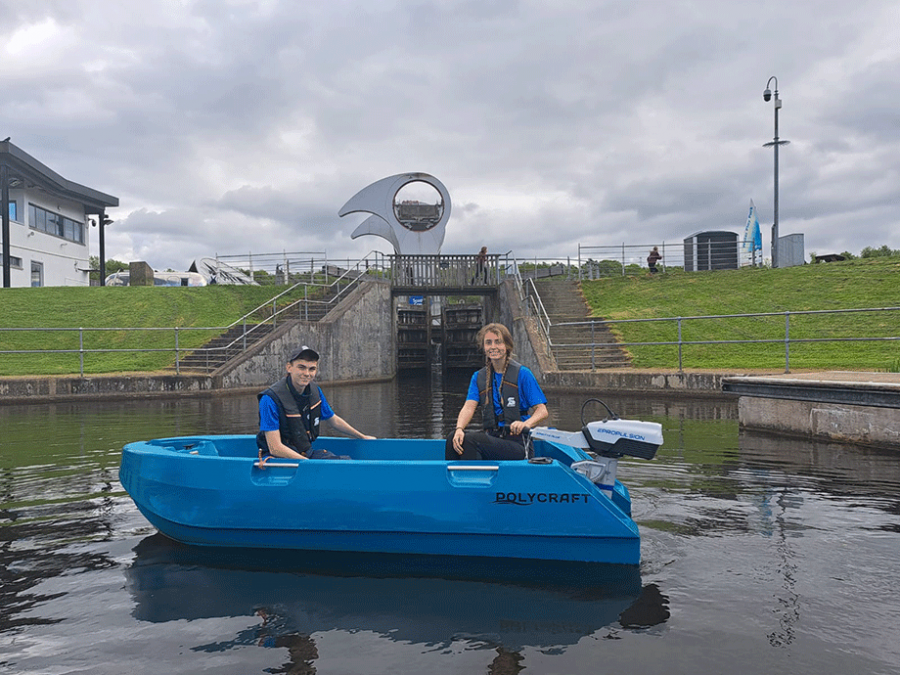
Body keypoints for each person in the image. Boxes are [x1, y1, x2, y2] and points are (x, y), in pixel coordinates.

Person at [446, 323, 549, 460]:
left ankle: (474, 480)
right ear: (484, 348)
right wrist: (459, 429)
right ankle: (453, 480)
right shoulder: (479, 377)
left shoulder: (523, 374)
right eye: (488, 343)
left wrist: (525, 424)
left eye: (498, 342)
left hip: (518, 445)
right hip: (493, 439)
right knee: (453, 438)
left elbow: (542, 411)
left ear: (507, 346)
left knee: (471, 440)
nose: (493, 347)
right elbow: (468, 407)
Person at [257, 345, 375, 461]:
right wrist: (310, 465)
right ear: (289, 367)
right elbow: (275, 448)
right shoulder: (269, 399)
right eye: (301, 367)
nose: (307, 373)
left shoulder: (314, 391)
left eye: (311, 369)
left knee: (345, 462)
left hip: (305, 454)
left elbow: (333, 420)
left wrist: (362, 437)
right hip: (278, 459)